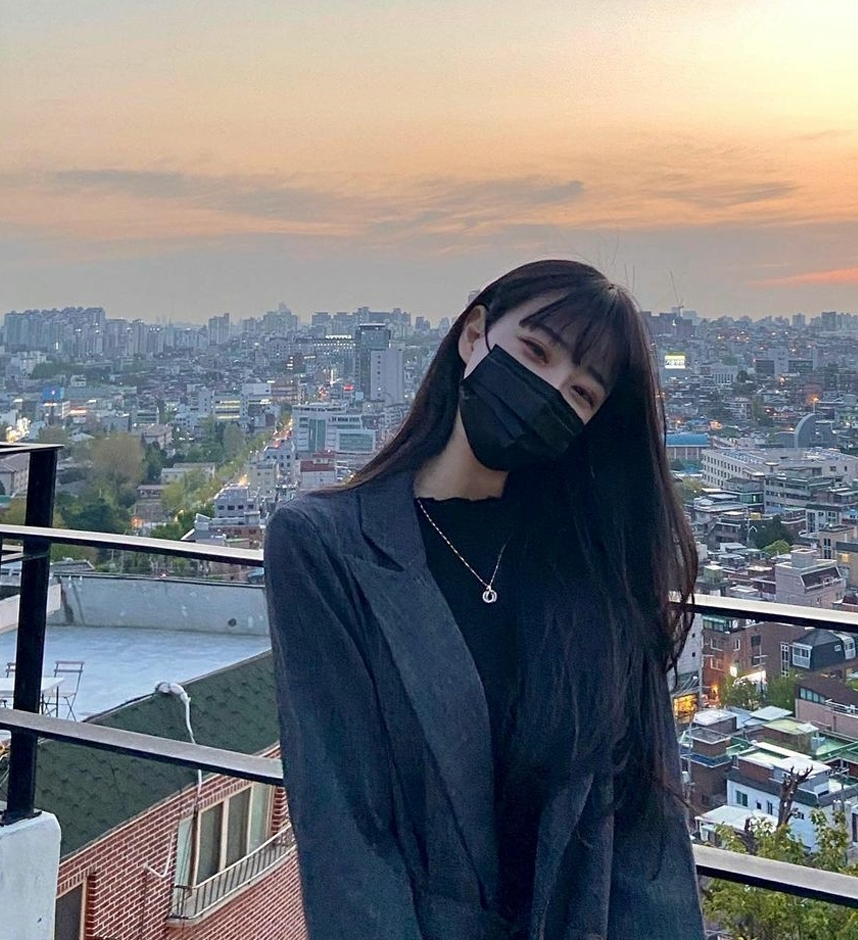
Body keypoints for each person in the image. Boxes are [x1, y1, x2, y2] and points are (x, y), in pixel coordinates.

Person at [264, 259, 704, 940]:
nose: (549, 392)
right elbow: (346, 829)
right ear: (474, 334)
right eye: (534, 352)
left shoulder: (594, 570)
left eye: (582, 395)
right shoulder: (325, 547)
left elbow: (649, 841)